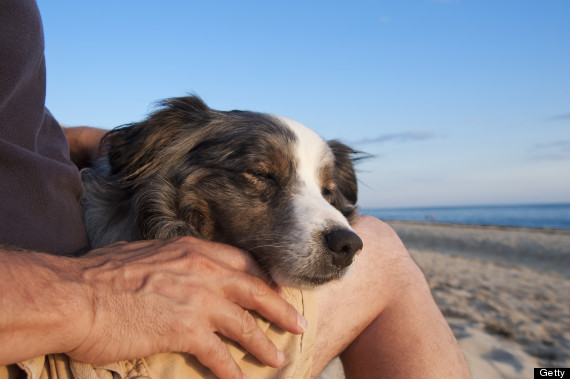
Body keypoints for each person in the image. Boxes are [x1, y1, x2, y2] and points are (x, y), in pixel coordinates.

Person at [0, 0, 470, 378]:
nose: (340, 228)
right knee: (384, 257)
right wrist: (90, 296)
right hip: (48, 333)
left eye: (327, 194)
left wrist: (73, 140)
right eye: (263, 175)